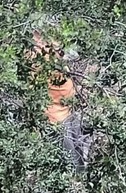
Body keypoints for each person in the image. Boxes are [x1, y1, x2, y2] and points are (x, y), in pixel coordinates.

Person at [28, 30, 89, 172]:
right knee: (70, 162)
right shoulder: (32, 58)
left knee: (79, 156)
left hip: (68, 112)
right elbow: (33, 93)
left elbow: (71, 55)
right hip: (55, 119)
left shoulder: (51, 47)